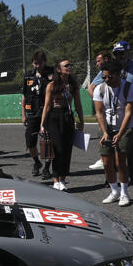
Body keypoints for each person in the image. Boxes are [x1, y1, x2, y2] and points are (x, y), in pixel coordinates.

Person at [93, 61, 133, 207]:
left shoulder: (129, 88)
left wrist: (120, 133)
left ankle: (124, 193)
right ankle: (114, 191)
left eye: (109, 77)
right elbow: (99, 113)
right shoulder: (99, 89)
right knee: (106, 163)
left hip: (124, 128)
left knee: (120, 162)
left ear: (118, 74)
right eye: (104, 77)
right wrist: (105, 132)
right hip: (107, 128)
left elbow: (129, 112)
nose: (106, 80)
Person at [39, 60, 84, 190]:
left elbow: (78, 105)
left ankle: (63, 179)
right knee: (57, 149)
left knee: (67, 150)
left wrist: (81, 120)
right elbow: (47, 107)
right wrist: (42, 124)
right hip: (53, 117)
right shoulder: (52, 85)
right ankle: (56, 179)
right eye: (66, 66)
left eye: (70, 65)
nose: (69, 67)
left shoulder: (73, 85)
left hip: (68, 116)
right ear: (58, 69)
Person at [22, 51, 52, 178]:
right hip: (32, 112)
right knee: (30, 141)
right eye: (35, 63)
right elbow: (24, 96)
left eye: (39, 63)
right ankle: (36, 162)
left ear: (44, 62)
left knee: (48, 141)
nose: (37, 66)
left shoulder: (51, 73)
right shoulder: (28, 76)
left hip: (48, 112)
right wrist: (23, 114)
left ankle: (46, 167)